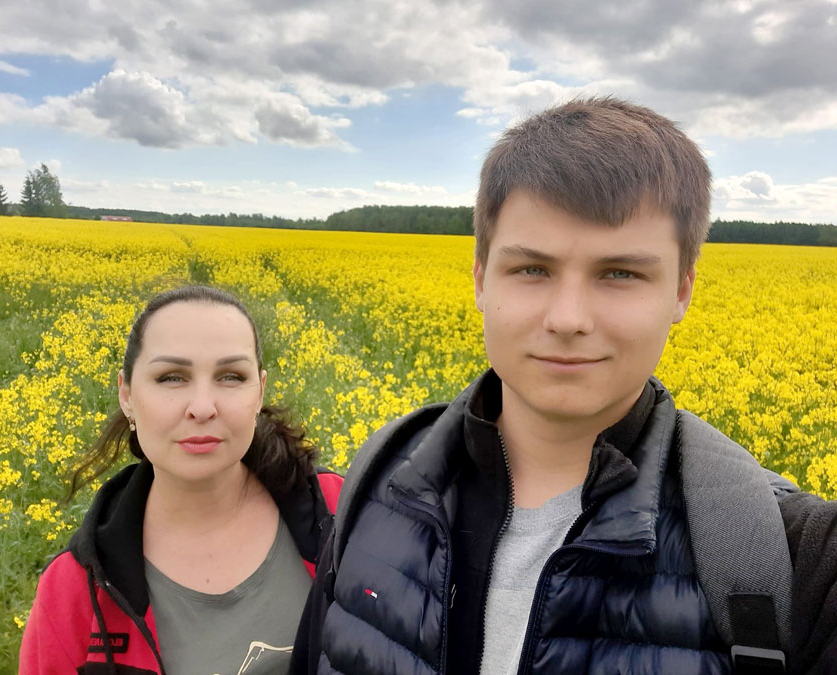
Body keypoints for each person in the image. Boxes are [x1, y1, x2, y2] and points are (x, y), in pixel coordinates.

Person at [293, 98, 837, 675]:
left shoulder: (788, 555)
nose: (568, 318)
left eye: (620, 273)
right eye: (532, 269)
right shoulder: (380, 484)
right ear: (480, 279)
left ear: (681, 292)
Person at [20, 285, 342, 675]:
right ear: (126, 394)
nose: (202, 407)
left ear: (259, 393)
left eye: (231, 377)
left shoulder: (340, 512)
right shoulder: (75, 590)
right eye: (172, 378)